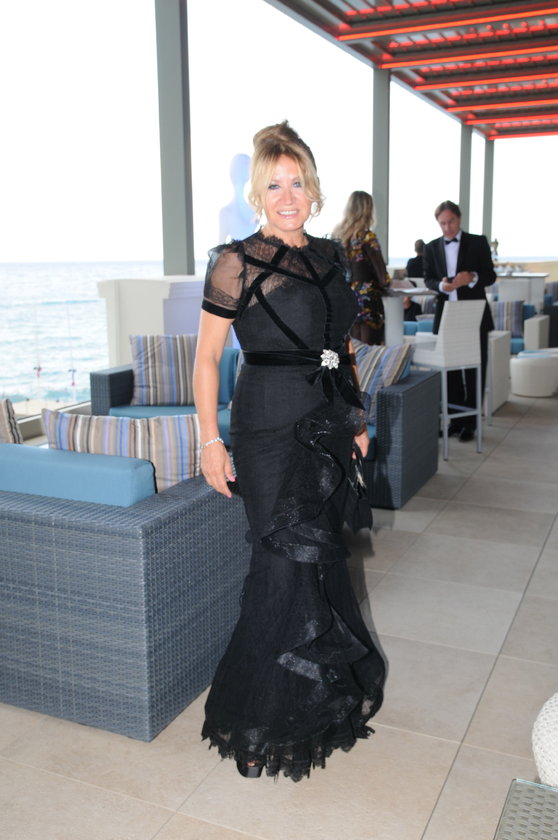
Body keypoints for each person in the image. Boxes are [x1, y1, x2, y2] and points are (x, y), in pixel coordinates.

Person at [193, 121, 385, 782]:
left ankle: (309, 703)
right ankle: (255, 719)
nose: (287, 196)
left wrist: (354, 418)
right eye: (273, 184)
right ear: (257, 193)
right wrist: (210, 440)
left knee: (317, 567)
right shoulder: (236, 261)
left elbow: (344, 346)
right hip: (267, 424)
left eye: (296, 182)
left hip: (327, 424)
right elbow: (208, 358)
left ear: (313, 189)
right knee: (278, 566)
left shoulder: (331, 258)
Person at [424, 200, 496, 442]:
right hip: (446, 316)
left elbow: (490, 275)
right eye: (442, 223)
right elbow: (428, 278)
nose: (447, 227)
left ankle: (470, 424)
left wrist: (472, 277)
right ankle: (454, 421)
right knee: (451, 372)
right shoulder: (431, 247)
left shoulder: (478, 242)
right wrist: (440, 285)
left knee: (474, 369)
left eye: (451, 221)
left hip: (474, 315)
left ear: (459, 218)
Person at [332, 191, 390, 345]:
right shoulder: (367, 237)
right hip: (367, 302)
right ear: (368, 210)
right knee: (370, 352)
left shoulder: (337, 236)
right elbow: (383, 278)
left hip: (344, 301)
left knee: (352, 351)